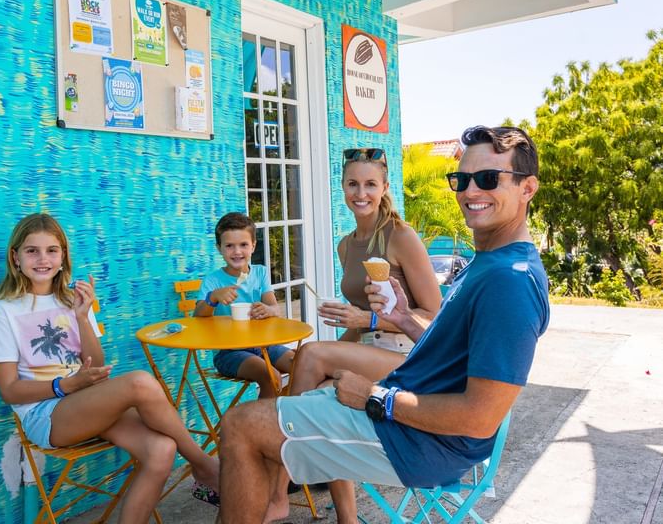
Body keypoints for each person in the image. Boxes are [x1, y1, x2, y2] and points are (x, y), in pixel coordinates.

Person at [219, 126, 550, 524]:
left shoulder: (509, 281)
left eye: (489, 178)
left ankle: (281, 496)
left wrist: (374, 396)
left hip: (418, 442)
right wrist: (403, 319)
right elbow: (453, 351)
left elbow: (479, 417)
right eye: (462, 180)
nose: (470, 191)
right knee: (275, 406)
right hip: (406, 410)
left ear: (527, 188)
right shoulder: (487, 264)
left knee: (240, 426)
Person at [0, 213, 220, 524]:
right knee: (139, 382)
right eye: (32, 251)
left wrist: (82, 317)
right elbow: (9, 390)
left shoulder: (72, 299)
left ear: (63, 256)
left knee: (161, 449)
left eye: (52, 250)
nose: (42, 259)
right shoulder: (5, 310)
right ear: (15, 257)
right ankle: (205, 466)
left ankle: (199, 470)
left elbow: (94, 362)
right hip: (45, 415)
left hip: (85, 402)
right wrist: (64, 386)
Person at [318, 147, 442, 354]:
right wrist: (329, 349)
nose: (361, 194)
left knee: (312, 355)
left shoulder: (401, 236)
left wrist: (366, 319)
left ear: (384, 188)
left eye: (370, 184)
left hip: (409, 350)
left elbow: (434, 316)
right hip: (370, 348)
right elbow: (360, 325)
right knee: (307, 356)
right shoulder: (345, 246)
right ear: (343, 186)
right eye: (352, 184)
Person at [195, 212, 295, 398]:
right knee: (270, 376)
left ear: (253, 246)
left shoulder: (260, 273)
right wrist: (213, 298)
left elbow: (275, 309)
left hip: (265, 345)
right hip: (229, 352)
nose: (237, 251)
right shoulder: (213, 281)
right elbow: (198, 316)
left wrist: (268, 310)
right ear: (219, 248)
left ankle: (289, 411)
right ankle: (263, 417)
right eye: (229, 246)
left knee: (302, 363)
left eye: (243, 245)